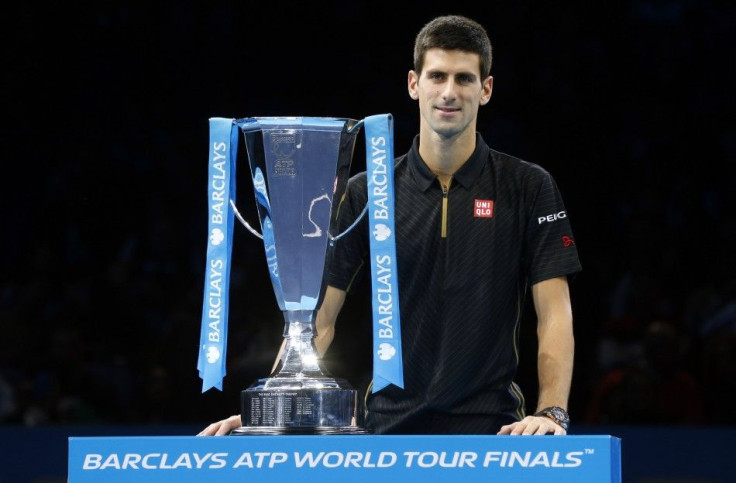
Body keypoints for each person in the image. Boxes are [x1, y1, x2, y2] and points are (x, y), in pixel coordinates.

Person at [199, 14, 581, 437]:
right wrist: (272, 412)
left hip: (492, 432)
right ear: (414, 84)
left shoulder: (527, 187)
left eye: (464, 79)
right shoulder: (368, 193)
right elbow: (316, 318)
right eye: (437, 76)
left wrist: (551, 412)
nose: (449, 92)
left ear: (485, 89)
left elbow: (553, 313)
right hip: (387, 435)